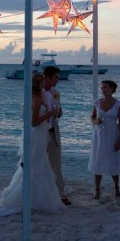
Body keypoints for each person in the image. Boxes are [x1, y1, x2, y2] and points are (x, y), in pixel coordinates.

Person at [0, 74, 65, 215]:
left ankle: (36, 195)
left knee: (39, 163)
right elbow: (33, 122)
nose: (45, 83)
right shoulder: (36, 100)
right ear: (39, 83)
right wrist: (49, 113)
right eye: (43, 81)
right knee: (37, 164)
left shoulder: (33, 98)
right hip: (37, 134)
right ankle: (33, 197)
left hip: (38, 135)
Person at [88, 80, 120, 199]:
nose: (103, 89)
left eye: (105, 87)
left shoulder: (119, 105)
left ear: (112, 88)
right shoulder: (97, 102)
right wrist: (96, 121)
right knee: (98, 159)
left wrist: (119, 140)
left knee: (113, 160)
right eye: (102, 88)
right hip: (99, 134)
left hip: (112, 134)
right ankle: (97, 189)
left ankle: (116, 188)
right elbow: (92, 118)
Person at [42, 65, 70, 205]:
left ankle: (60, 192)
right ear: (47, 77)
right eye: (56, 77)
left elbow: (59, 111)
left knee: (56, 163)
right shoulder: (37, 92)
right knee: (40, 163)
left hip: (53, 131)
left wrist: (59, 113)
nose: (58, 80)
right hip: (41, 132)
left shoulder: (56, 93)